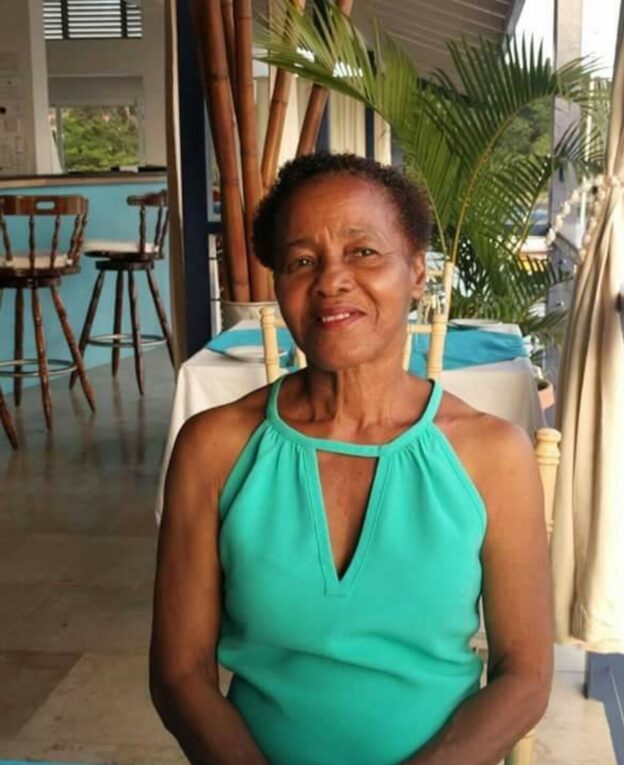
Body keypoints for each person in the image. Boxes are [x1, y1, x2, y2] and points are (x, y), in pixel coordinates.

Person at [150, 153, 553, 765]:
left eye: (364, 252)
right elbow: (180, 674)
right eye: (301, 261)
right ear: (278, 284)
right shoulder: (214, 448)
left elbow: (525, 676)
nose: (331, 280)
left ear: (416, 272)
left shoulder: (492, 454)